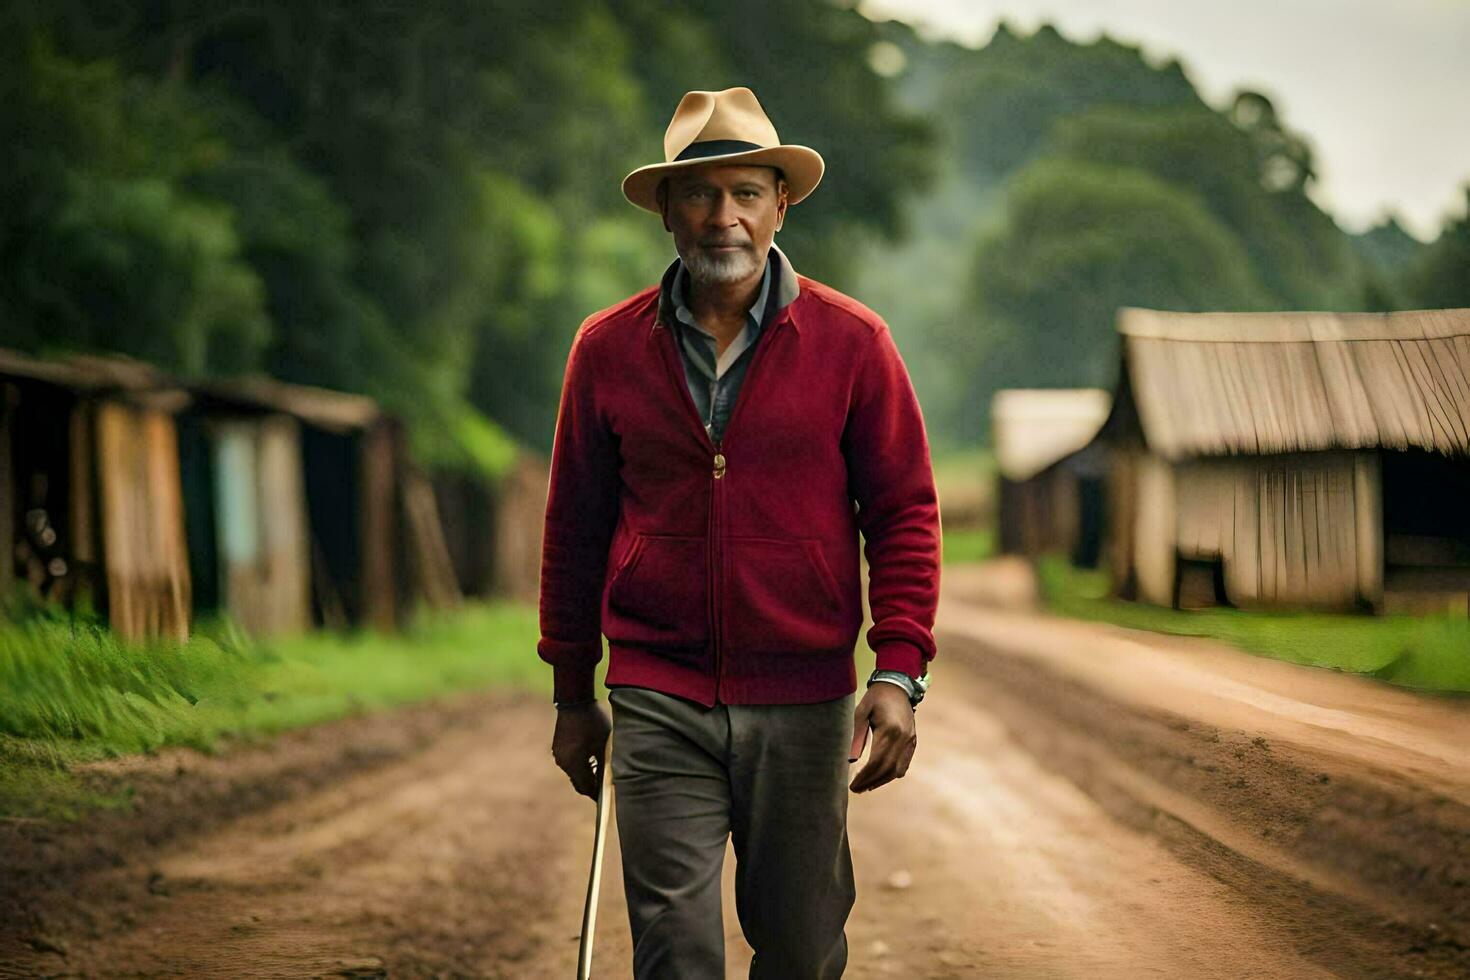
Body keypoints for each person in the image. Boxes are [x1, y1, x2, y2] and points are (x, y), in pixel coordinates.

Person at [538, 86, 941, 978]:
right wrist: (574, 691)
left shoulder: (853, 343)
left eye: (746, 193)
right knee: (675, 953)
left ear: (779, 205)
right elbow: (573, 526)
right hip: (658, 692)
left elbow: (905, 510)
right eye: (700, 193)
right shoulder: (605, 351)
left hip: (804, 702)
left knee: (800, 952)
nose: (724, 217)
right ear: (667, 212)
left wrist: (899, 671)